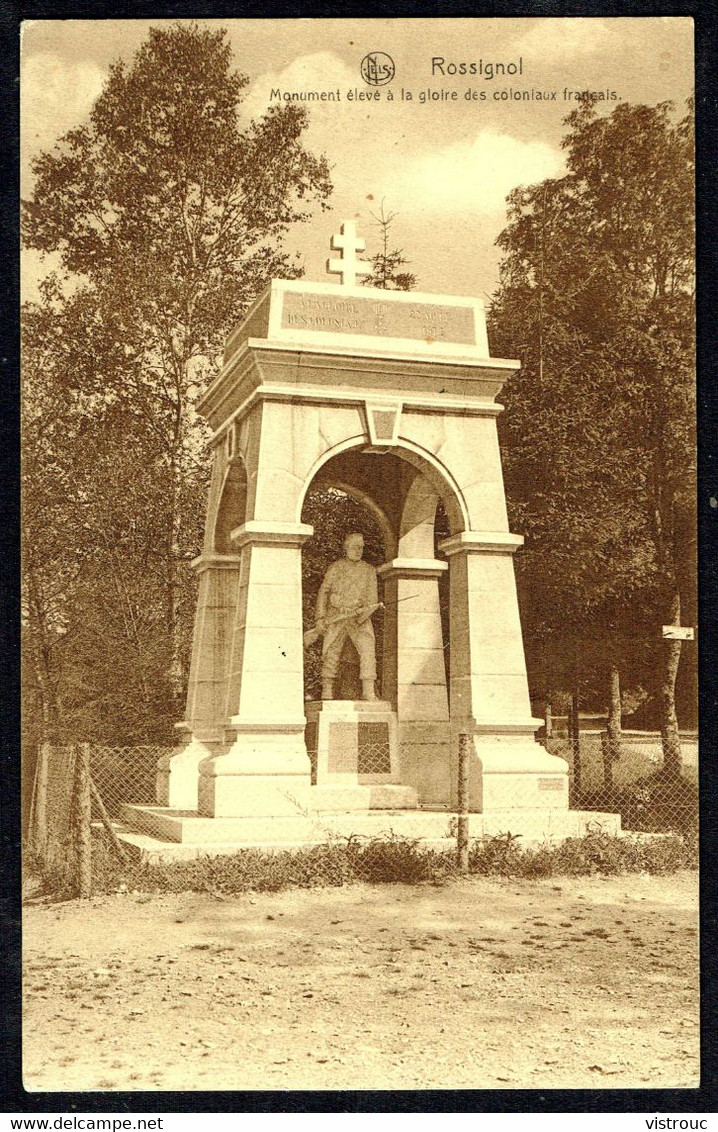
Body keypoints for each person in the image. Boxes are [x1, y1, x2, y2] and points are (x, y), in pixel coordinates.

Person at [316, 532, 379, 700]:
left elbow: (373, 599)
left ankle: (368, 691)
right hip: (336, 617)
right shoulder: (335, 568)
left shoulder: (369, 571)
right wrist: (320, 617)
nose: (358, 550)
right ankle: (327, 690)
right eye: (354, 547)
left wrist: (361, 613)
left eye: (361, 547)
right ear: (346, 548)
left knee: (368, 651)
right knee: (331, 651)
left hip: (360, 619)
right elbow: (324, 592)